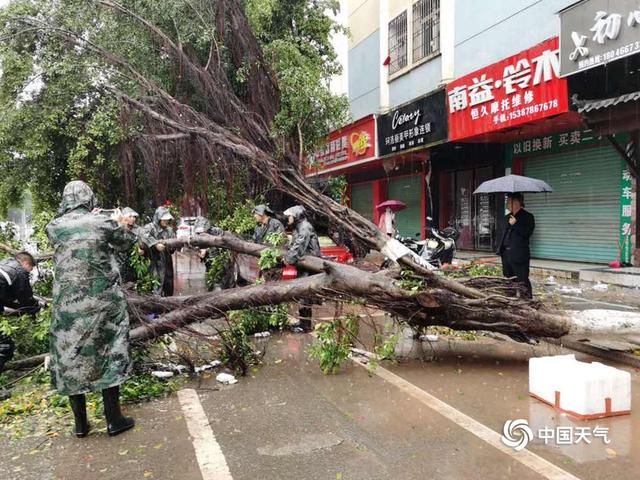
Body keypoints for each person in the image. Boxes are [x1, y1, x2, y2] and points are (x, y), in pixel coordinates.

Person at [46, 181, 138, 437]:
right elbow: (127, 242)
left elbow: (70, 232)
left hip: (67, 308)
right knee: (109, 352)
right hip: (103, 305)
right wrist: (118, 221)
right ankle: (114, 420)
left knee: (70, 356)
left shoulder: (54, 227)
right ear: (89, 198)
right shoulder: (102, 222)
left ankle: (80, 425)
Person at [0, 252, 41, 399]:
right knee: (4, 346)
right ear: (25, 263)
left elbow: (7, 301)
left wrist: (19, 311)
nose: (28, 273)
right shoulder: (17, 270)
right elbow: (27, 300)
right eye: (29, 269)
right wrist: (37, 307)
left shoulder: (4, 267)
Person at [283, 205, 321, 332]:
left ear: (296, 216)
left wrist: (288, 259)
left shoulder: (305, 227)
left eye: (289, 216)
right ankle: (302, 322)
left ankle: (305, 326)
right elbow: (293, 245)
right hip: (304, 265)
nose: (288, 219)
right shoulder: (298, 227)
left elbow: (299, 246)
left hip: (310, 266)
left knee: (305, 294)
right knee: (303, 294)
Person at [497, 193, 535, 299]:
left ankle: (527, 301)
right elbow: (503, 235)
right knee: (508, 279)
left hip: (519, 255)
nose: (507, 204)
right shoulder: (506, 218)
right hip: (506, 254)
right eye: (507, 202)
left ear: (517, 202)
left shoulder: (528, 217)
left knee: (522, 279)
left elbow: (527, 233)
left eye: (509, 202)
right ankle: (510, 300)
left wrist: (516, 224)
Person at [142, 207, 177, 296]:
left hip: (166, 261)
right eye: (163, 219)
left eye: (167, 219)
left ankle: (167, 304)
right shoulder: (149, 228)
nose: (166, 221)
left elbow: (173, 245)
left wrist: (172, 246)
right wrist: (155, 244)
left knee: (168, 284)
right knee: (155, 284)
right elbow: (143, 237)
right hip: (153, 261)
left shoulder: (169, 230)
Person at [116, 207, 143, 285]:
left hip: (133, 263)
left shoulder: (139, 230)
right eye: (130, 217)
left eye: (134, 217)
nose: (133, 219)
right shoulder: (118, 228)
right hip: (119, 262)